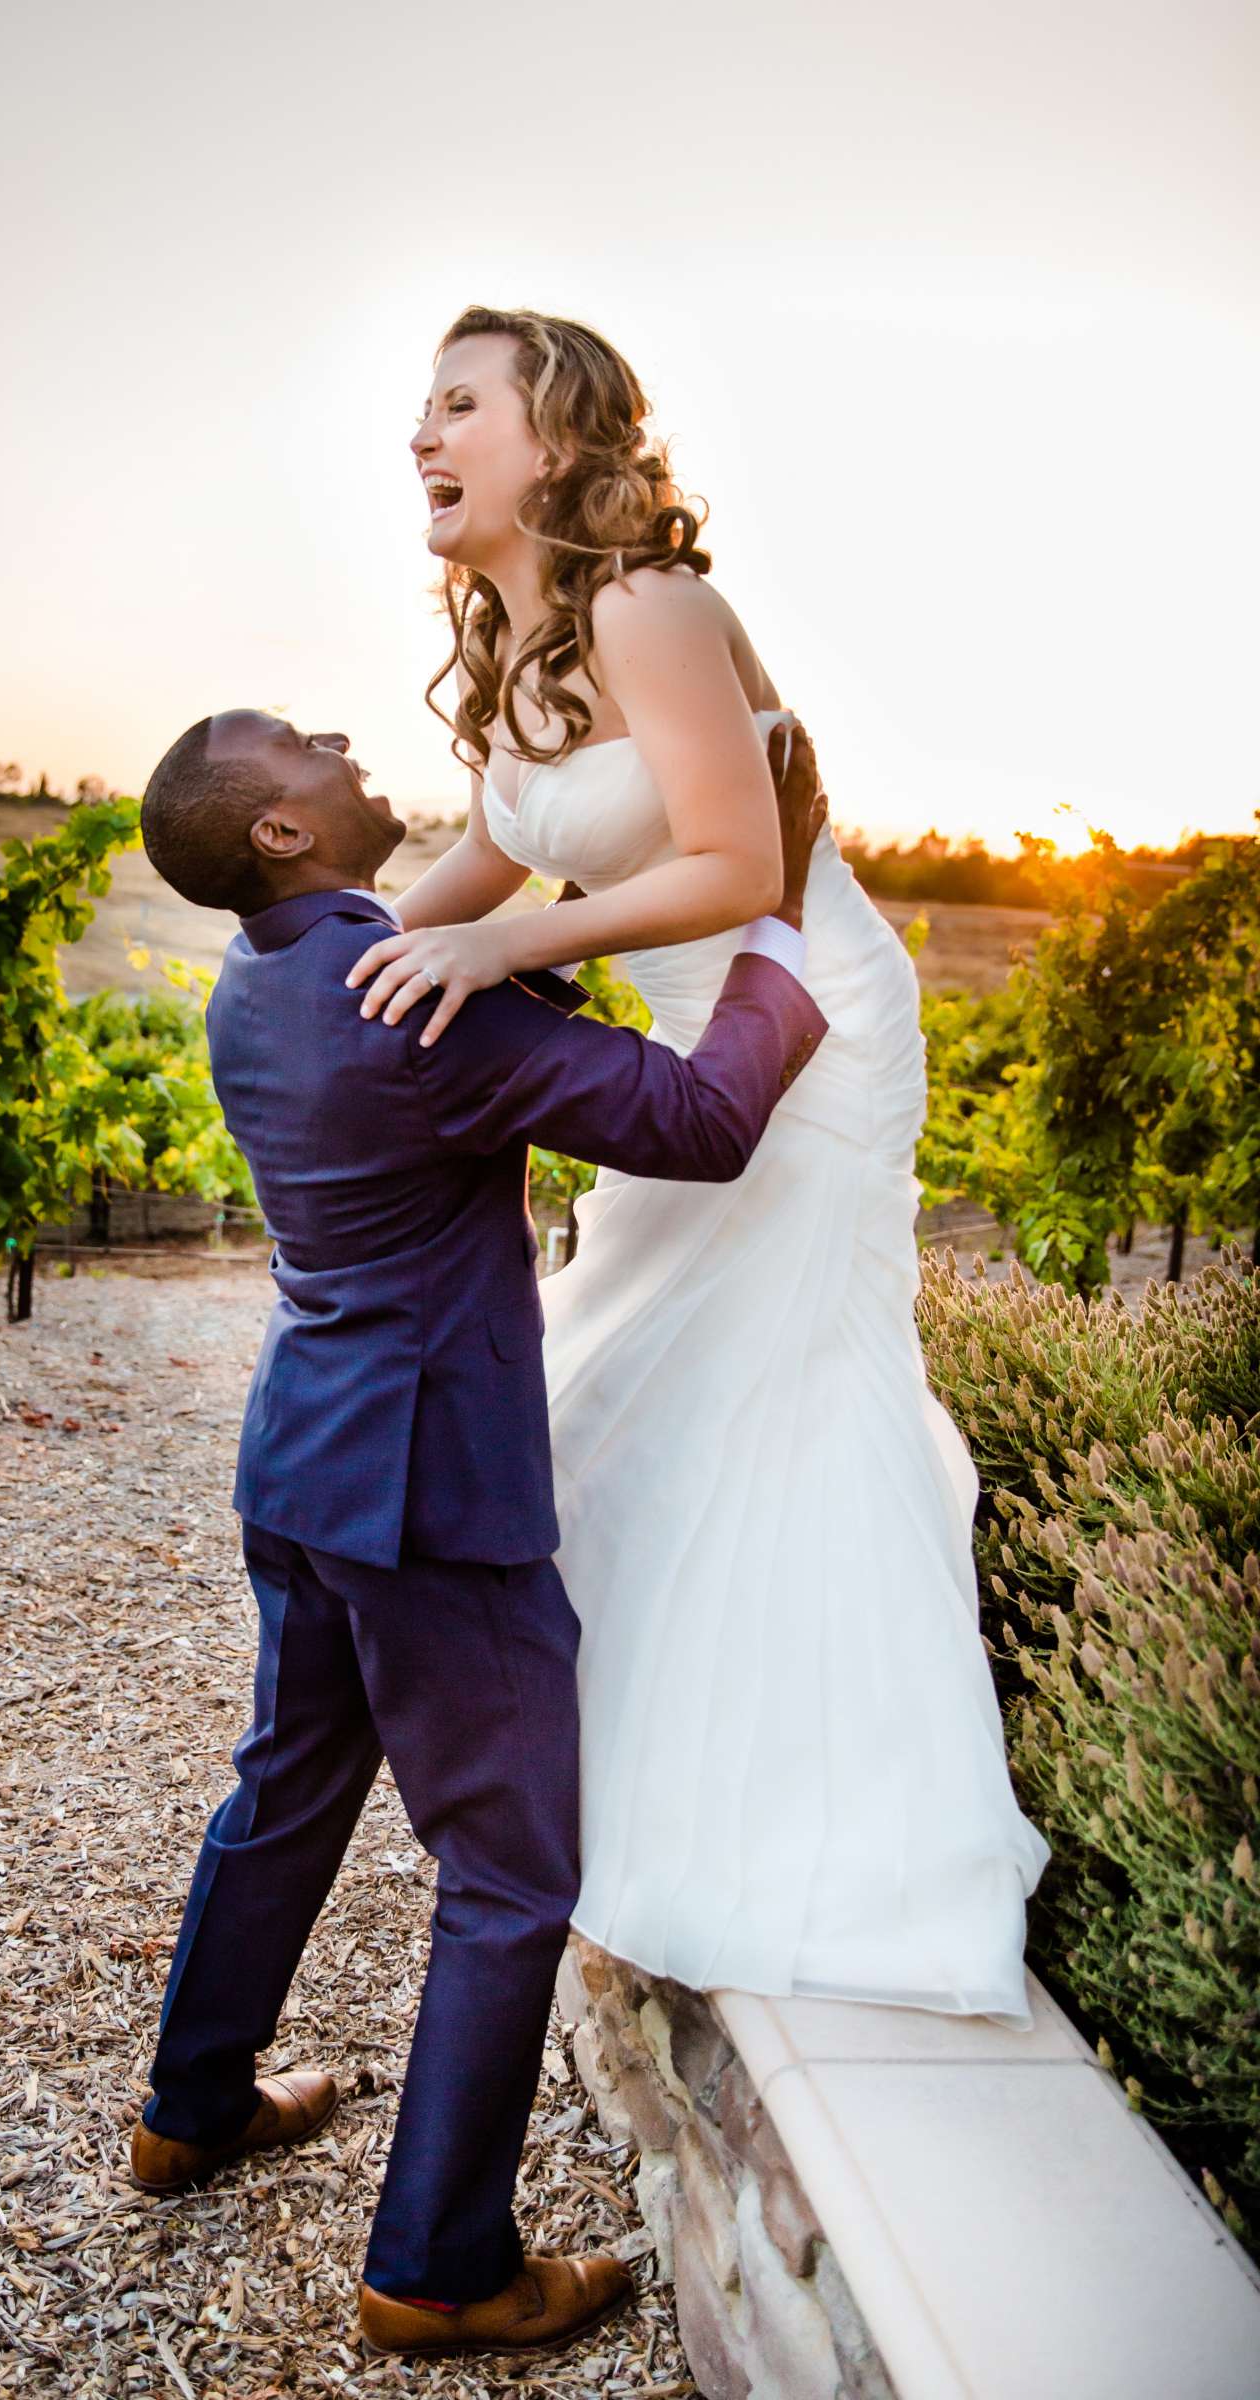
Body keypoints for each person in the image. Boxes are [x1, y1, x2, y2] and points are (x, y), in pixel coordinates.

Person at [350, 304, 1049, 2022]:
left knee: (768, 1391)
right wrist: (317, 952)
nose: (421, 440)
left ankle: (833, 1838)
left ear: (559, 436)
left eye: (459, 407)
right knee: (619, 1392)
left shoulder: (649, 608)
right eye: (416, 414)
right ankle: (637, 1803)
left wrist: (505, 957)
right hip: (694, 1050)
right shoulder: (519, 652)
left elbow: (740, 866)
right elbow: (485, 858)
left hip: (803, 1032)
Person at [128, 703, 828, 2359]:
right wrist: (784, 929)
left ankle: (192, 2105)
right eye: (293, 743)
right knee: (511, 1869)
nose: (335, 735)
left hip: (302, 1459)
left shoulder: (267, 976)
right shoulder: (416, 1003)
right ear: (282, 834)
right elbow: (701, 1125)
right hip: (432, 1492)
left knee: (285, 1788)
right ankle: (438, 2265)